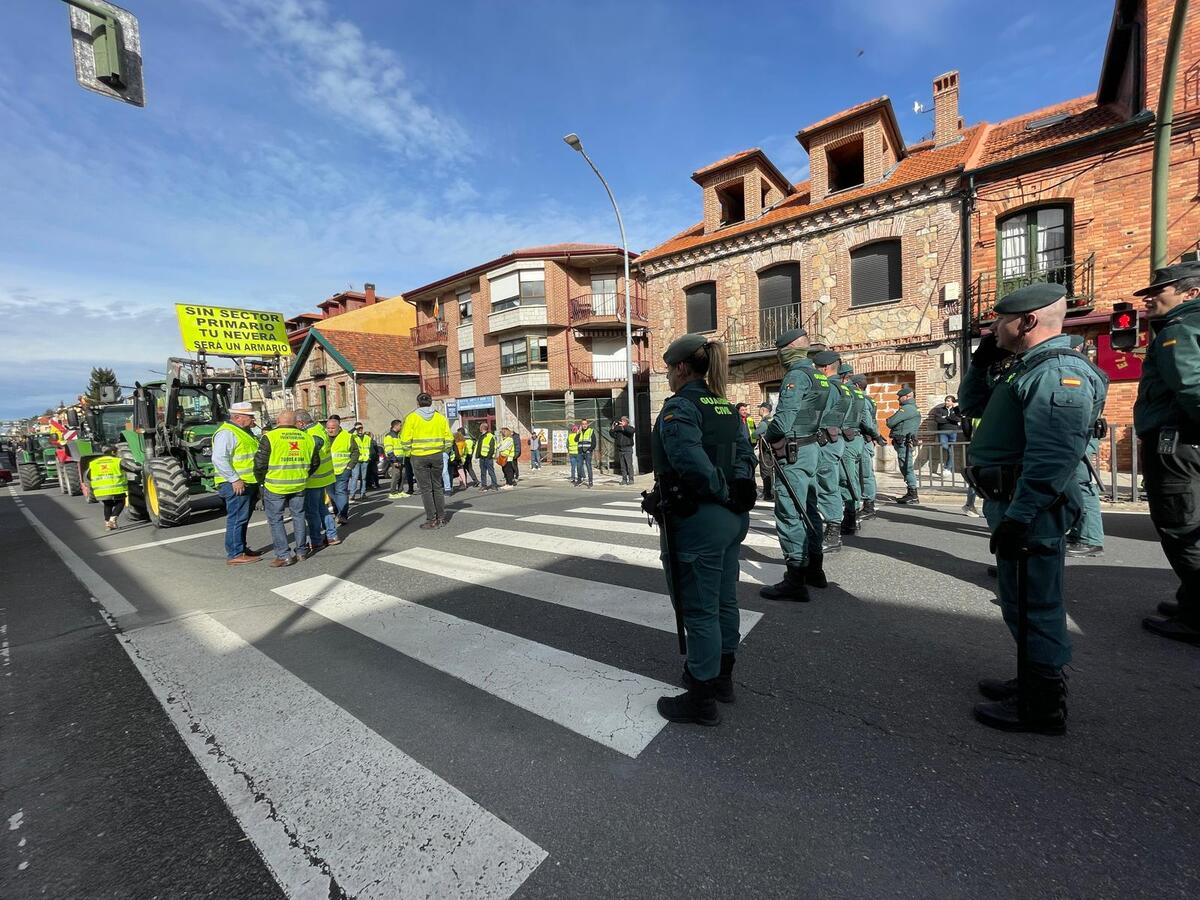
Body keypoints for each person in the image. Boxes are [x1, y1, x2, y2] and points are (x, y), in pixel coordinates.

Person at [958, 282, 1107, 734]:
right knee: (1018, 597)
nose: (993, 329)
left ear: (1026, 322)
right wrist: (982, 362)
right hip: (1013, 501)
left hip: (1032, 506)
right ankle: (1031, 677)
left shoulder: (1058, 371)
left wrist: (1022, 515)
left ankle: (1041, 704)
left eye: (999, 321)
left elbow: (1053, 454)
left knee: (1035, 602)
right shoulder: (1024, 367)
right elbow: (972, 405)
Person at [650, 334, 756, 726]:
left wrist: (722, 492)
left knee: (698, 610)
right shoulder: (726, 406)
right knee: (724, 601)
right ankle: (723, 679)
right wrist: (739, 488)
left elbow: (689, 461)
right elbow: (744, 454)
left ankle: (701, 698)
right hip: (731, 520)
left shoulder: (681, 406)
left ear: (681, 368)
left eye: (667, 369)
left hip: (699, 520)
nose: (666, 376)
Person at [1133, 262, 1200, 645]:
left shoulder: (1180, 329)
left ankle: (1195, 617)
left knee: (1180, 526)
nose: (1150, 299)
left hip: (1177, 443)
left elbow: (1192, 387)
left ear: (1190, 293)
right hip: (1185, 440)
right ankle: (1191, 599)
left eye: (1160, 291)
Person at [760, 328, 827, 601]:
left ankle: (795, 580)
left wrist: (768, 435)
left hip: (794, 453)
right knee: (810, 509)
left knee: (790, 513)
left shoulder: (796, 376)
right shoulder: (819, 377)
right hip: (812, 449)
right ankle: (815, 571)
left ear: (787, 350)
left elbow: (784, 421)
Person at [253, 409, 318, 568]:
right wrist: (303, 475)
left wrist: (262, 481)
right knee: (299, 516)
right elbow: (315, 463)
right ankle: (301, 551)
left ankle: (283, 555)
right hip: (299, 484)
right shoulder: (307, 437)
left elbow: (260, 464)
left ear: (278, 421)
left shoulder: (270, 437)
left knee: (276, 520)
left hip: (275, 486)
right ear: (295, 421)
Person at [1064, 336, 1104, 558]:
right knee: (1074, 487)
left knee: (1082, 487)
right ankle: (1079, 532)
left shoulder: (1079, 372)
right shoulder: (1085, 370)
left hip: (1079, 438)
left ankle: (1090, 538)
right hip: (1078, 437)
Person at [212, 401, 262, 565]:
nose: (252, 419)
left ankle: (240, 548)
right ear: (238, 417)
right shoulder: (227, 433)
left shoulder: (244, 432)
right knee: (237, 518)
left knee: (243, 518)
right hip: (236, 483)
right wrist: (234, 479)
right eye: (250, 416)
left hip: (246, 482)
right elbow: (219, 458)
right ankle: (235, 553)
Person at [812, 350, 850, 551]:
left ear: (825, 368)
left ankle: (833, 533)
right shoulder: (843, 388)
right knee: (830, 483)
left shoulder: (827, 388)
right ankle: (833, 527)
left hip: (825, 442)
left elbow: (815, 415)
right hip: (834, 439)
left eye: (817, 368)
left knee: (826, 486)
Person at [400, 393, 454, 528]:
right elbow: (449, 439)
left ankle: (432, 520)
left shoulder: (411, 418)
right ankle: (441, 518)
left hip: (418, 456)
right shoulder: (440, 418)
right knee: (437, 486)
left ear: (417, 403)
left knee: (425, 489)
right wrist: (443, 450)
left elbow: (405, 440)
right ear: (431, 403)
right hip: (437, 455)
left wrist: (408, 453)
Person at [297, 410, 340, 550]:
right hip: (324, 477)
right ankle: (332, 536)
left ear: (301, 423)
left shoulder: (311, 434)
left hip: (314, 479)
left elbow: (314, 449)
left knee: (312, 511)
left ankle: (316, 540)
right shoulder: (319, 427)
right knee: (322, 509)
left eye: (295, 424)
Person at [832, 361, 865, 537]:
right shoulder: (859, 393)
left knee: (844, 479)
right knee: (851, 478)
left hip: (844, 438)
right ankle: (853, 515)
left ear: (843, 376)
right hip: (855, 437)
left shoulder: (844, 391)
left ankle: (848, 518)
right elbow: (865, 419)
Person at [850, 375, 885, 519]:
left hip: (864, 440)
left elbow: (867, 422)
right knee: (863, 474)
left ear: (857, 386)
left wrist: (875, 435)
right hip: (866, 440)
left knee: (864, 474)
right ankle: (865, 504)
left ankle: (868, 506)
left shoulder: (863, 400)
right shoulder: (869, 399)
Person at [886, 386, 921, 504]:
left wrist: (889, 420)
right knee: (906, 466)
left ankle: (913, 494)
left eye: (900, 397)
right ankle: (911, 492)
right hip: (905, 442)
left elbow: (890, 422)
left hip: (904, 442)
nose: (898, 399)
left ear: (908, 396)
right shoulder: (911, 408)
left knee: (906, 467)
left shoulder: (907, 409)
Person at [88, 444, 127, 531]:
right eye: (116, 452)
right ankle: (112, 520)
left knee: (108, 504)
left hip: (101, 490)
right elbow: (130, 468)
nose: (117, 454)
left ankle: (107, 524)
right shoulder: (117, 461)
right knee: (121, 502)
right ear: (113, 452)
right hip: (116, 487)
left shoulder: (94, 463)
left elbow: (88, 476)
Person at [326, 415, 357, 524]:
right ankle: (337, 512)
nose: (330, 430)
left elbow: (355, 452)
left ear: (339, 427)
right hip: (327, 472)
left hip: (342, 470)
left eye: (333, 428)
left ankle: (343, 515)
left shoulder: (347, 436)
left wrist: (349, 467)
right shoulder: (323, 437)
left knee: (341, 492)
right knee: (331, 493)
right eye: (328, 428)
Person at [931, 395, 962, 472]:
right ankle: (948, 467)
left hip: (953, 431)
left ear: (952, 402)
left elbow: (958, 418)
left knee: (951, 450)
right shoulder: (939, 410)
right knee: (944, 446)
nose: (946, 402)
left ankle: (947, 468)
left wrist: (946, 417)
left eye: (948, 401)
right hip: (943, 432)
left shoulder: (956, 409)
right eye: (946, 400)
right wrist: (951, 419)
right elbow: (938, 420)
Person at [384, 419, 412, 499]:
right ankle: (392, 492)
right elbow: (389, 449)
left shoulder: (399, 435)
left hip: (402, 459)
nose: (401, 427)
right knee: (396, 476)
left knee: (402, 476)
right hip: (395, 459)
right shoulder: (389, 436)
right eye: (400, 425)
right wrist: (394, 460)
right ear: (395, 426)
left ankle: (400, 491)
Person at [751, 403, 774, 501]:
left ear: (763, 410)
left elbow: (755, 435)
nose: (758, 410)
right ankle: (769, 492)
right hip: (772, 450)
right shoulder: (772, 419)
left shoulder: (764, 422)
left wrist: (753, 434)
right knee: (770, 472)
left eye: (759, 408)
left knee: (765, 471)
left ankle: (767, 494)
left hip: (765, 451)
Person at [348, 423, 372, 500]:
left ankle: (363, 493)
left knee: (364, 478)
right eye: (358, 428)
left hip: (365, 460)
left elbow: (370, 448)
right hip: (356, 460)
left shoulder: (367, 437)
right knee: (355, 477)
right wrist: (354, 428)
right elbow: (347, 434)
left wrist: (369, 457)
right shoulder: (353, 437)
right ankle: (352, 494)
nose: (360, 429)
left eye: (361, 428)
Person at [610, 415, 636, 484]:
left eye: (623, 420)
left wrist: (623, 427)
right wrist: (612, 428)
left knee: (629, 465)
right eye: (621, 420)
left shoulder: (629, 428)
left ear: (626, 422)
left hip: (628, 449)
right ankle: (624, 479)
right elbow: (612, 434)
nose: (621, 422)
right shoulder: (619, 429)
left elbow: (631, 431)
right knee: (623, 466)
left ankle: (631, 479)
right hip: (620, 449)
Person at [476, 422, 499, 491]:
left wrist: (489, 456)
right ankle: (484, 486)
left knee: (491, 472)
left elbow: (493, 447)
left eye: (480, 427)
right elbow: (478, 446)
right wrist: (477, 455)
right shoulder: (481, 436)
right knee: (483, 473)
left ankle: (494, 485)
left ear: (482, 428)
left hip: (488, 458)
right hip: (482, 457)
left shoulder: (490, 436)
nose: (479, 428)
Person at [577, 418, 595, 487]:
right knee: (579, 466)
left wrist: (589, 450)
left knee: (588, 466)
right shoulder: (579, 431)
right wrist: (578, 432)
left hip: (587, 452)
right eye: (583, 424)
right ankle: (579, 480)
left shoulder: (591, 431)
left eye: (585, 424)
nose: (584, 425)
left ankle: (590, 481)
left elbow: (594, 443)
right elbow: (576, 440)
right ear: (581, 425)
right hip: (580, 452)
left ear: (587, 424)